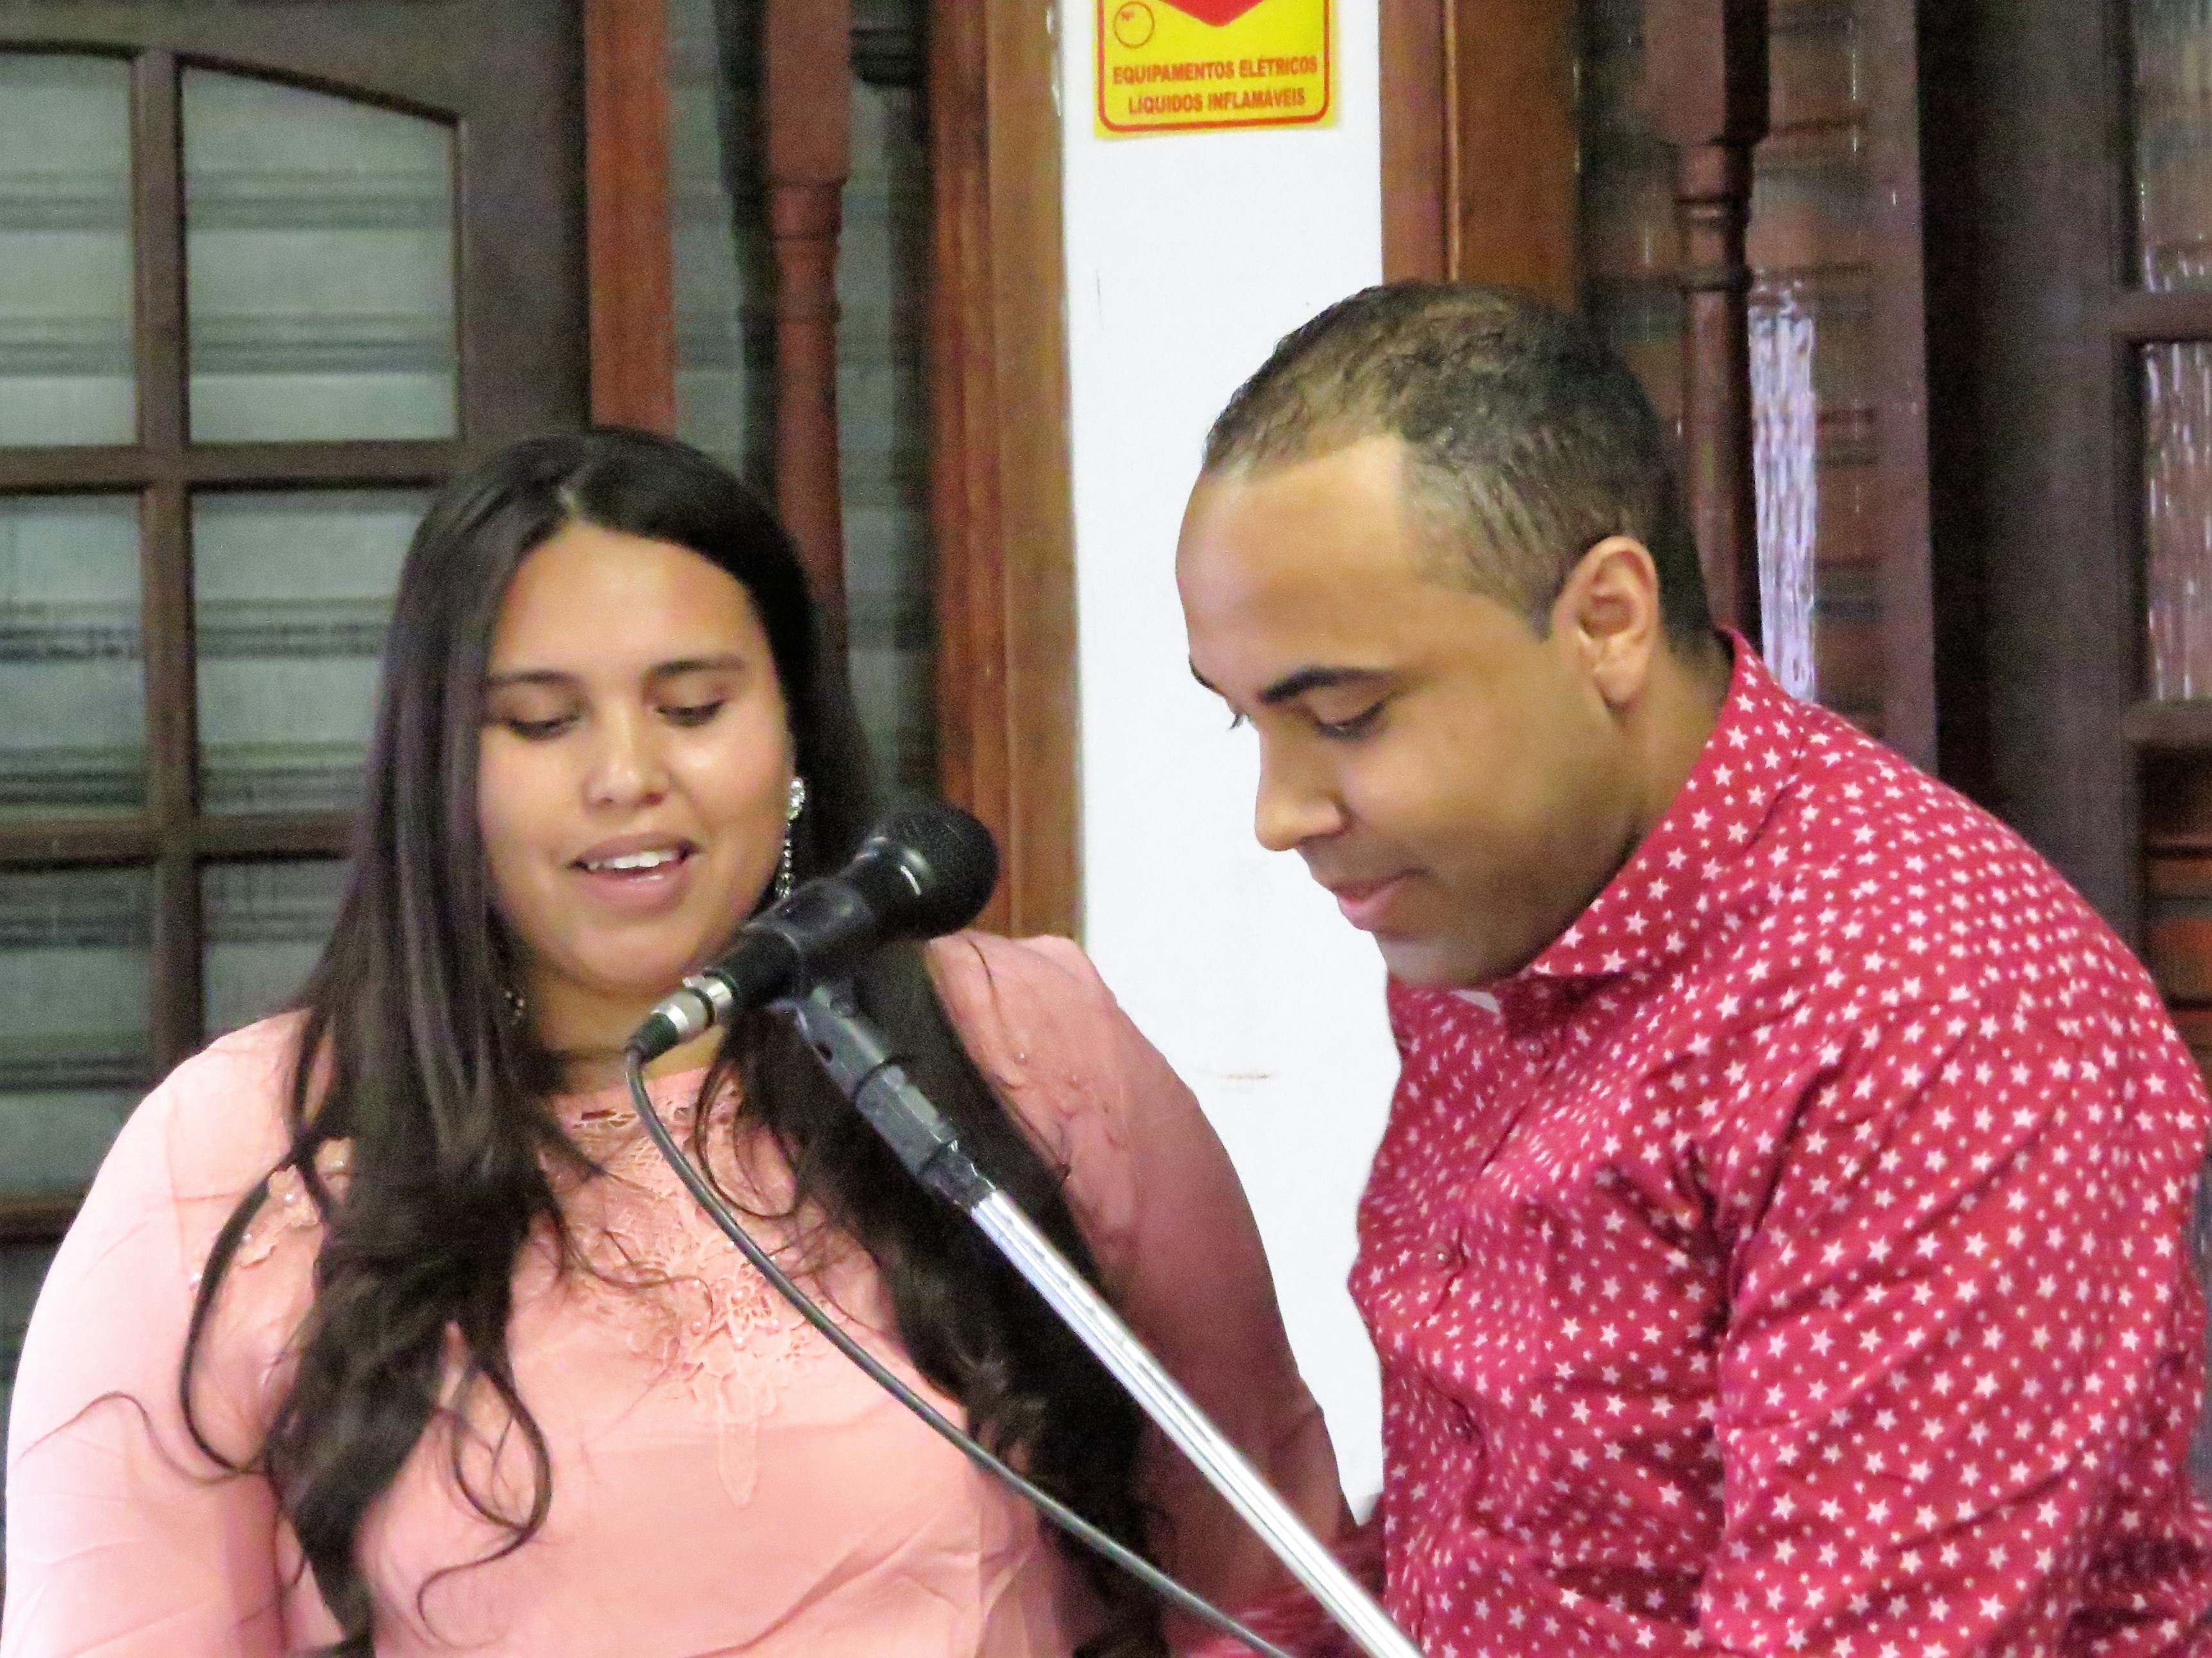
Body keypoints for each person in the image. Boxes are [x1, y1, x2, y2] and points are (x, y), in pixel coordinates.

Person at [1, 429, 1344, 1657]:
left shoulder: (1022, 1045)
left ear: (793, 736)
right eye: (541, 723)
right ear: (442, 771)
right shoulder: (237, 1150)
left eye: (693, 708)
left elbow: (1265, 1575)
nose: (627, 777)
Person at [1175, 282, 2212, 1657]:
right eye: (1244, 723)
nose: (1281, 812)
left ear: (1605, 620)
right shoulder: (1495, 903)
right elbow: (1511, 1529)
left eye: (1350, 718)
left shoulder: (1927, 1008)